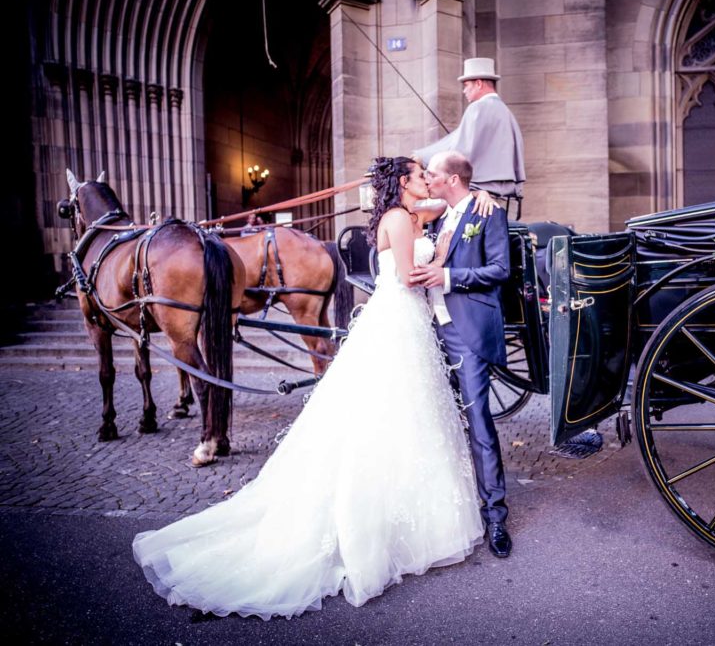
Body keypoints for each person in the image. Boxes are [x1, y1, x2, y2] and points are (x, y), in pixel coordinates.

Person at [132, 157, 484, 617]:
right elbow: (407, 277)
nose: (429, 181)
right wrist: (440, 259)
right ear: (403, 183)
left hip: (404, 324)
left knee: (404, 415)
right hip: (400, 319)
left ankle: (408, 514)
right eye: (420, 175)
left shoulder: (412, 213)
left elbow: (446, 202)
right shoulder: (400, 219)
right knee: (390, 414)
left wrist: (474, 195)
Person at [409, 151, 513, 559]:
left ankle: (496, 516)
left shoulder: (489, 214)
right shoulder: (440, 212)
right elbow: (405, 200)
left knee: (478, 421)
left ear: (451, 180)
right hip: (429, 331)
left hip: (465, 331)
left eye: (433, 174)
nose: (428, 179)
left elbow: (500, 270)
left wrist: (449, 276)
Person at [414, 57, 526, 201]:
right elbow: (458, 138)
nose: (464, 90)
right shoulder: (506, 112)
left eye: (466, 85)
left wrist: (422, 157)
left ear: (478, 83)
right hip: (505, 196)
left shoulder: (477, 107)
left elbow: (459, 150)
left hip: (479, 197)